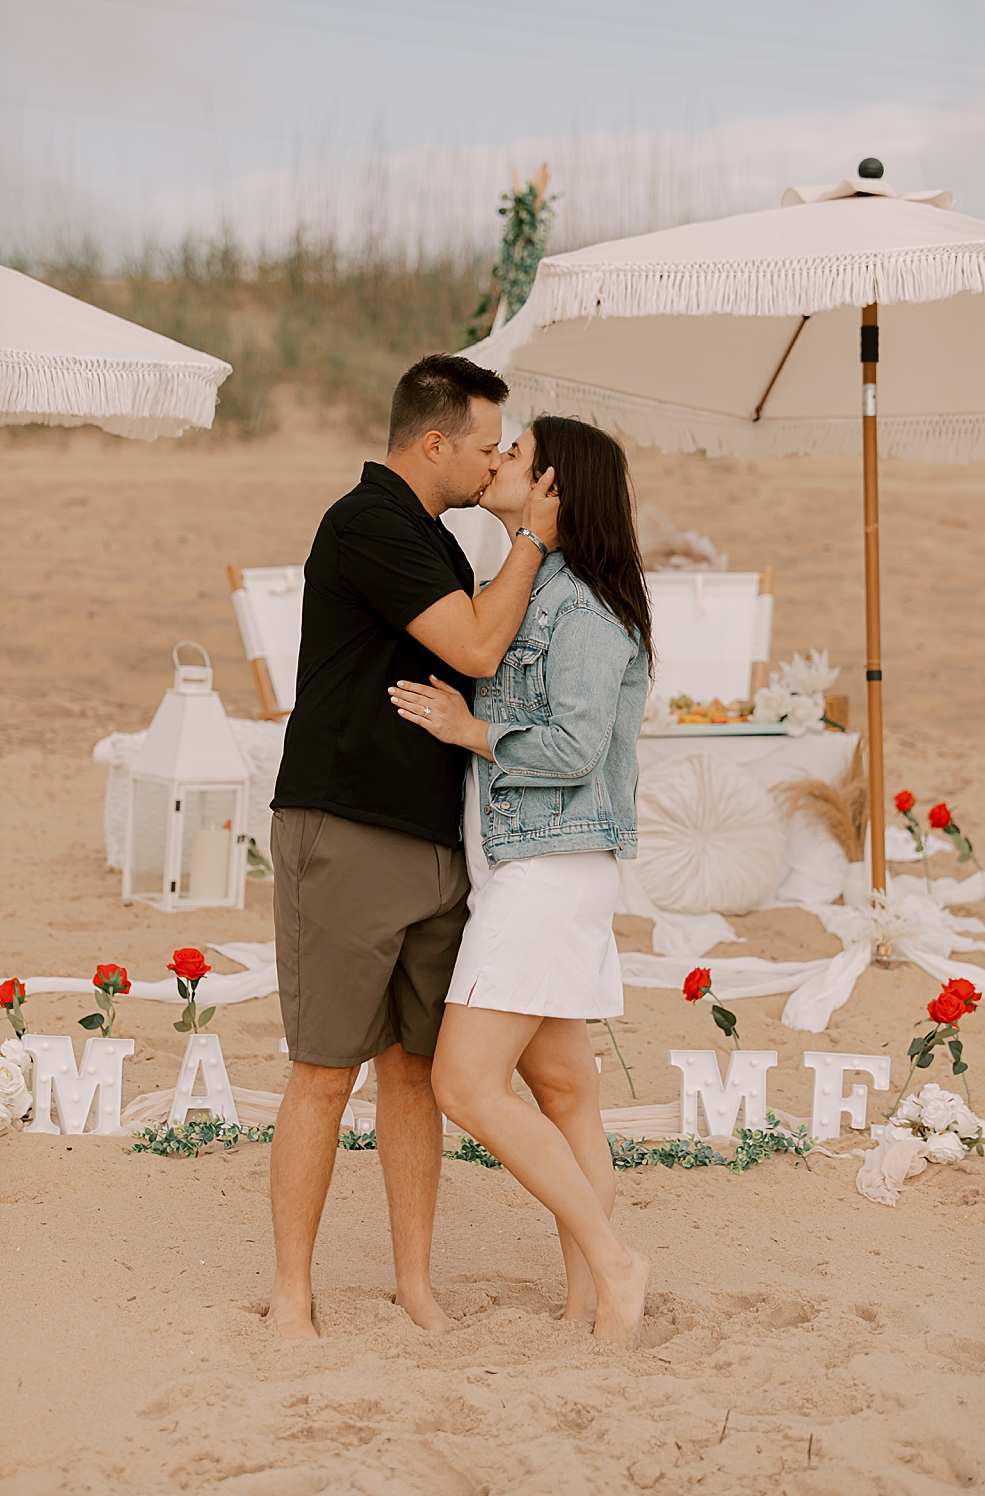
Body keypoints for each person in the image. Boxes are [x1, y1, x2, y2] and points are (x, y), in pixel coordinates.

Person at [266, 353, 559, 1340]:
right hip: (345, 827)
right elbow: (474, 648)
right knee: (321, 1069)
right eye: (484, 446)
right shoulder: (370, 524)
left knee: (412, 1069)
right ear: (432, 441)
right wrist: (530, 536)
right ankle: (292, 1293)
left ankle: (415, 1285)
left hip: (438, 838)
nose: (493, 463)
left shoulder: (432, 537)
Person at [387, 414, 654, 1347]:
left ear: (555, 487)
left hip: (548, 866)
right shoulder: (533, 590)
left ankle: (615, 1265)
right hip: (533, 865)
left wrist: (472, 731)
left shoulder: (579, 609)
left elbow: (579, 744)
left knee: (464, 1083)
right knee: (565, 1089)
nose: (497, 457)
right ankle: (591, 1306)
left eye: (516, 452)